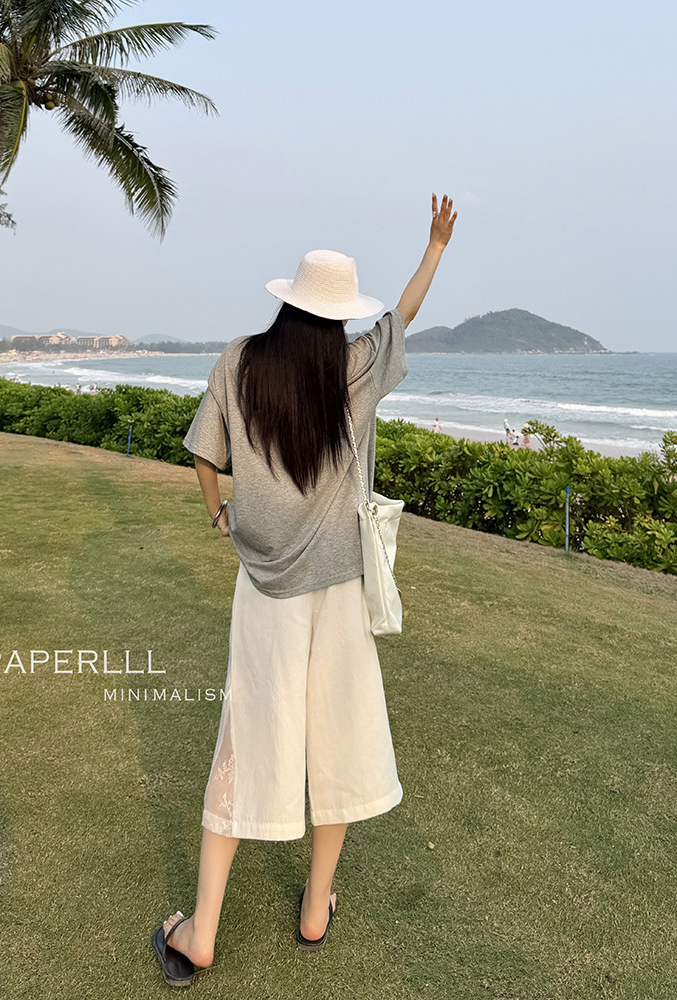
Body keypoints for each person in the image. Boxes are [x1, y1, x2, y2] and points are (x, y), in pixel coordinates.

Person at [151, 194, 457, 987]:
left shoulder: (238, 361)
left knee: (244, 743)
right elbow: (403, 318)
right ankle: (316, 907)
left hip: (266, 594)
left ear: (288, 301)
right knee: (339, 742)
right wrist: (434, 249)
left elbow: (204, 453)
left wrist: (219, 514)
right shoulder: (353, 368)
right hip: (341, 592)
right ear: (340, 314)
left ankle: (202, 931)